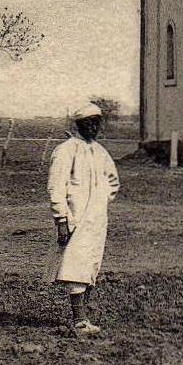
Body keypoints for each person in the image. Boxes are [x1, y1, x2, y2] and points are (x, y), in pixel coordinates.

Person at [47, 103, 120, 336]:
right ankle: (79, 320)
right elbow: (55, 186)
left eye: (97, 122)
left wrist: (100, 201)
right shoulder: (66, 150)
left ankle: (84, 317)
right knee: (75, 266)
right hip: (75, 217)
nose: (93, 127)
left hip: (97, 219)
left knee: (90, 265)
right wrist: (61, 219)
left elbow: (113, 182)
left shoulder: (100, 152)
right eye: (88, 122)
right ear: (78, 124)